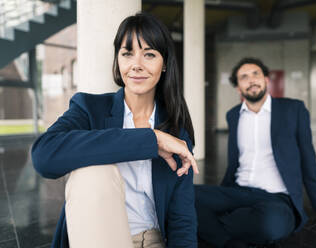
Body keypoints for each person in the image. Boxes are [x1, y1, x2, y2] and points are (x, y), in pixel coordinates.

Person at [32, 13, 199, 248]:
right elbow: (44, 156)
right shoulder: (90, 109)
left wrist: (159, 136)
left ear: (164, 65)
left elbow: (182, 219)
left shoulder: (176, 132)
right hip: (96, 236)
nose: (136, 65)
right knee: (93, 174)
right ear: (118, 61)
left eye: (149, 54)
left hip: (151, 240)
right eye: (127, 53)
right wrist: (150, 140)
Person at [195, 57, 316, 248]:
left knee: (271, 224)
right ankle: (230, 238)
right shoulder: (233, 115)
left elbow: (308, 159)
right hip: (238, 191)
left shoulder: (293, 109)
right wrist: (221, 197)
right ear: (238, 88)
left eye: (256, 74)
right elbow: (234, 162)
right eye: (244, 77)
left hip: (277, 197)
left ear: (266, 80)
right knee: (183, 194)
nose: (252, 80)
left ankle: (215, 227)